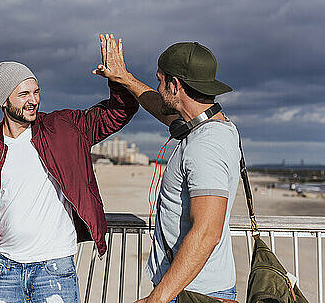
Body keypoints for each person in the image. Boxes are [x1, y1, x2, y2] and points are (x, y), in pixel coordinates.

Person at [0, 39, 139, 302]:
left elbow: (118, 112)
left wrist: (119, 80)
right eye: (24, 94)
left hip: (54, 268)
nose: (33, 100)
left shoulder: (65, 127)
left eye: (36, 92)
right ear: (4, 101)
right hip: (4, 270)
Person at [93, 36, 240, 303]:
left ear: (175, 84)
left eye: (160, 80)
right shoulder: (207, 128)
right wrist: (123, 77)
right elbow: (165, 112)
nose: (158, 86)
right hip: (187, 288)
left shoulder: (206, 146)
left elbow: (207, 233)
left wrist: (157, 299)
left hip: (195, 293)